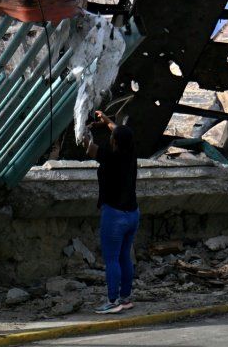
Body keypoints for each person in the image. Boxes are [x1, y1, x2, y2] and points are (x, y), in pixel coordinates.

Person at [84, 110, 139, 314]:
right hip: (132, 213)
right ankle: (125, 298)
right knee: (124, 256)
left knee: (112, 259)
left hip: (114, 215)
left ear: (114, 141)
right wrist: (107, 121)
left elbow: (89, 148)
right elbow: (121, 133)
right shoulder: (131, 152)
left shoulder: (110, 156)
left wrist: (82, 129)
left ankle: (113, 301)